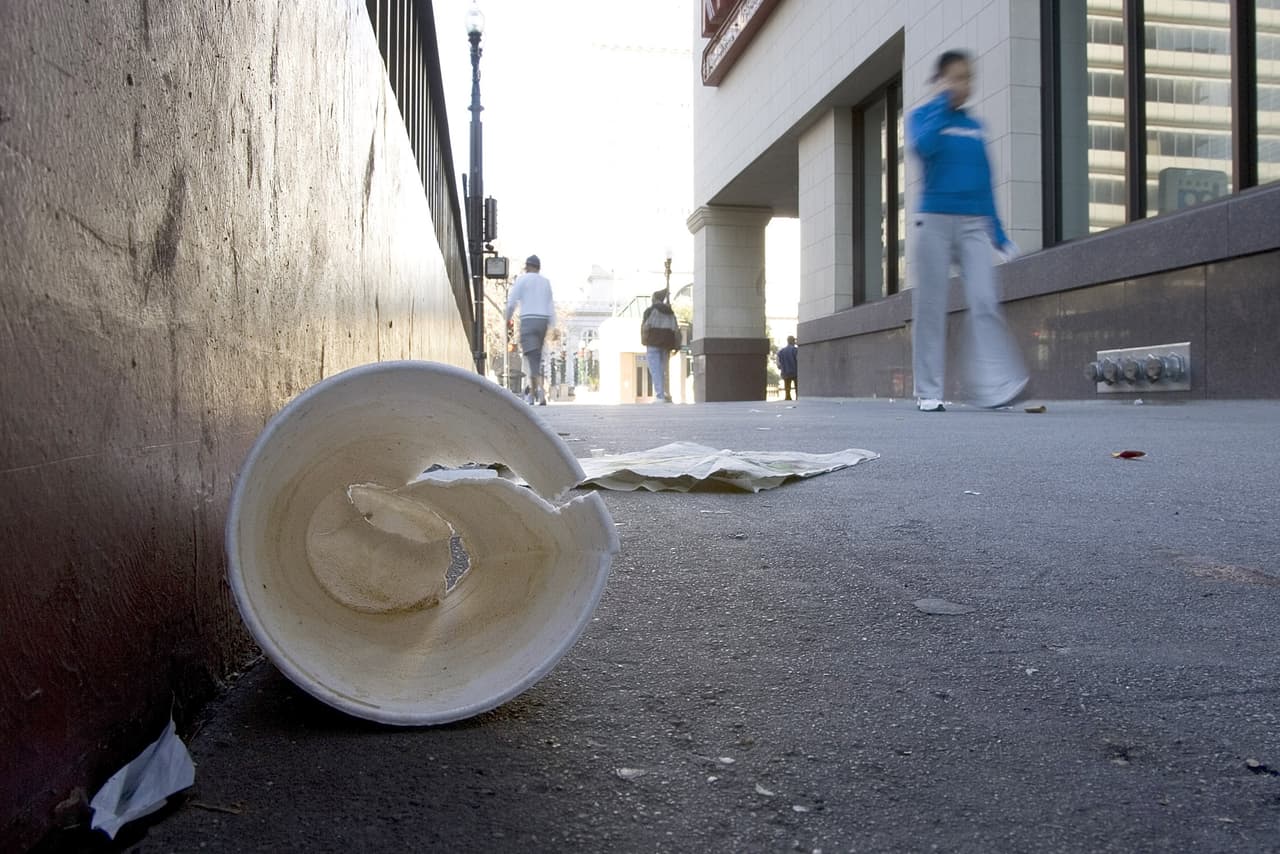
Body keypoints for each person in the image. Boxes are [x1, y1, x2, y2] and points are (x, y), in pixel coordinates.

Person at [907, 49, 1029, 413]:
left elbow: (984, 182)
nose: (965, 84)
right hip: (934, 222)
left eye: (968, 78)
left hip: (974, 224)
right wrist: (942, 102)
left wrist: (1000, 235)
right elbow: (923, 147)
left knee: (984, 301)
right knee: (930, 307)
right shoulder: (922, 117)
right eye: (957, 77)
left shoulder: (976, 128)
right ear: (941, 80)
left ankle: (994, 387)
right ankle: (928, 391)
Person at [505, 255, 555, 405]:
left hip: (528, 320)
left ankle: (536, 395)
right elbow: (550, 305)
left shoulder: (522, 280)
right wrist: (553, 325)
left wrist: (507, 318)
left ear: (527, 266)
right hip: (542, 321)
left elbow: (512, 301)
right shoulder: (546, 282)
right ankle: (537, 394)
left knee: (531, 360)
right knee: (536, 359)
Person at [640, 288, 679, 402]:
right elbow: (676, 330)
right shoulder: (670, 313)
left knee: (655, 370)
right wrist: (676, 345)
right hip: (666, 344)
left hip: (653, 343)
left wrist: (644, 339)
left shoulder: (650, 311)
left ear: (655, 299)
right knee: (663, 370)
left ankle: (660, 395)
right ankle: (664, 393)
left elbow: (645, 327)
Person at [776, 335, 798, 401]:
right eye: (794, 341)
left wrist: (780, 367)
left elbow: (778, 363)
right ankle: (797, 397)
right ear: (792, 341)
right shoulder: (795, 350)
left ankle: (788, 397)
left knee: (787, 387)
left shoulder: (781, 351)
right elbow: (798, 359)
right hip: (795, 372)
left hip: (785, 372)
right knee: (797, 387)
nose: (795, 342)